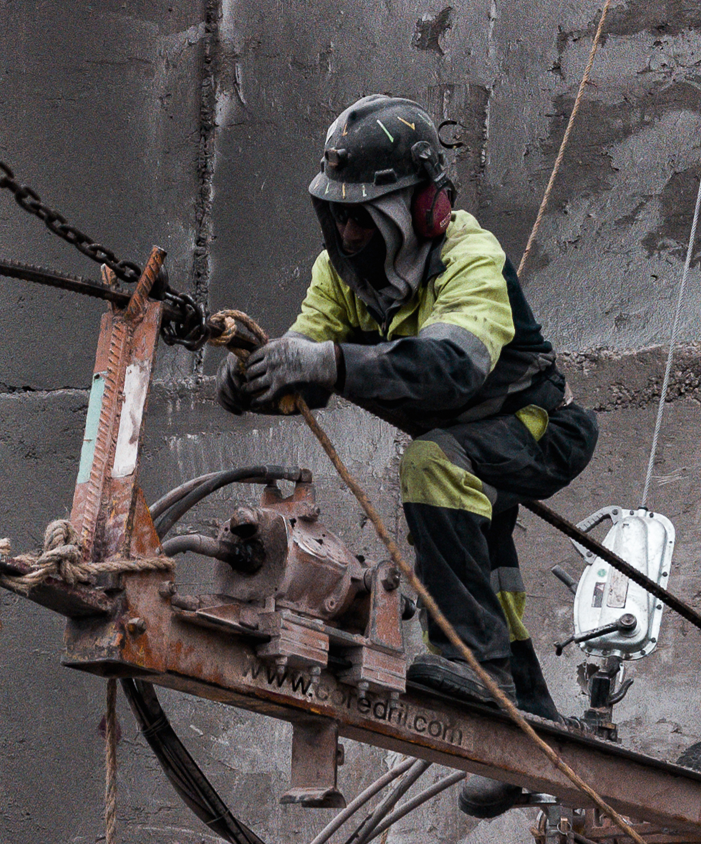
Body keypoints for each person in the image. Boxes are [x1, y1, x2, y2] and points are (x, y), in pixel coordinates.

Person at [218, 93, 597, 755]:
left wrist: (328, 362)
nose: (350, 236)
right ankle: (527, 719)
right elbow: (307, 358)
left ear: (423, 207)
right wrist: (259, 379)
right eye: (339, 217)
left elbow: (450, 367)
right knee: (489, 573)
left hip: (538, 431)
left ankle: (464, 665)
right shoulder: (339, 274)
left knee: (431, 462)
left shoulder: (470, 256)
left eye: (363, 217)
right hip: (466, 450)